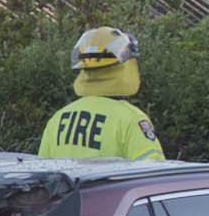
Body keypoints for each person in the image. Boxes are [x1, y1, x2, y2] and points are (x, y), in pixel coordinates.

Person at [40, 26, 163, 160]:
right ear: (125, 67)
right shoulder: (132, 119)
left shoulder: (58, 119)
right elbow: (153, 174)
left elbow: (41, 173)